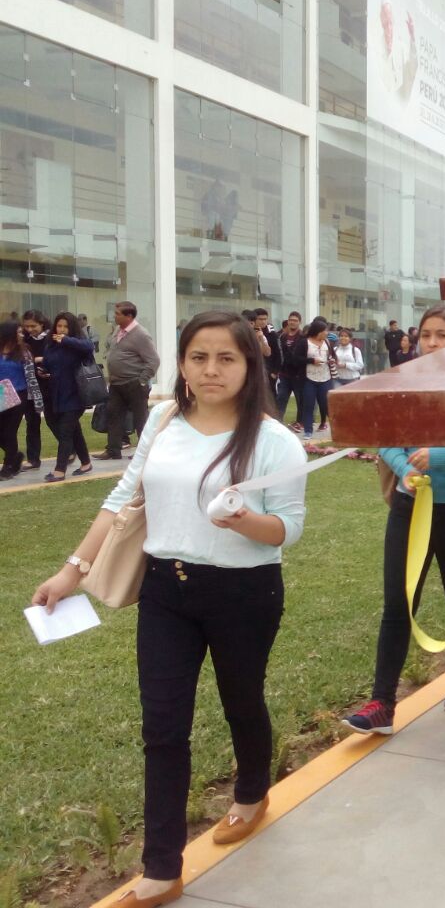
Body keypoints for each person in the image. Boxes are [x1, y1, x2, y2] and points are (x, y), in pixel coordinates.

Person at [32, 310, 307, 908]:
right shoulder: (162, 420)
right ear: (181, 363)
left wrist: (243, 518)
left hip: (243, 594)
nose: (212, 370)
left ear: (249, 364)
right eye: (199, 357)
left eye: (226, 358)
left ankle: (253, 791)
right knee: (162, 726)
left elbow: (287, 530)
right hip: (165, 592)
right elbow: (121, 498)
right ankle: (161, 866)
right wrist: (70, 570)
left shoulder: (273, 440)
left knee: (242, 700)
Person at [342, 305, 445, 734]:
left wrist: (441, 457)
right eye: (427, 335)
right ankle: (382, 703)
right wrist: (406, 470)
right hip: (410, 510)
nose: (432, 343)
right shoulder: (405, 384)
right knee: (398, 604)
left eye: (444, 336)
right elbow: (386, 441)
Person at [99, 302, 159, 461]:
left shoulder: (141, 334)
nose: (114, 316)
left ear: (129, 316)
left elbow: (153, 360)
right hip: (116, 383)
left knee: (140, 419)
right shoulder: (118, 331)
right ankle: (113, 450)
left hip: (134, 383)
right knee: (114, 416)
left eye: (118, 313)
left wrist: (142, 380)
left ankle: (145, 453)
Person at [41, 312, 95, 482]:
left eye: (65, 326)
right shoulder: (52, 345)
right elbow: (49, 363)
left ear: (72, 328)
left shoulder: (77, 344)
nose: (61, 330)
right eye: (59, 326)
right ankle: (86, 463)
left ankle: (60, 470)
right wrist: (44, 371)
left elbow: (89, 347)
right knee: (74, 431)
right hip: (58, 394)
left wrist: (65, 340)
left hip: (76, 395)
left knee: (65, 432)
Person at [0, 322, 33, 479]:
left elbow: (31, 375)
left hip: (18, 394)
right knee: (2, 433)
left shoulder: (23, 352)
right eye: (19, 332)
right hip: (1, 393)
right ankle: (15, 456)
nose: (22, 335)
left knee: (10, 431)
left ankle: (8, 466)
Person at [20, 310, 50, 471]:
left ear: (42, 323)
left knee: (55, 421)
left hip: (48, 386)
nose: (30, 329)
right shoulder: (25, 340)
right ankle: (33, 459)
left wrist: (39, 359)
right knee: (32, 423)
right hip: (30, 387)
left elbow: (57, 357)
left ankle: (70, 449)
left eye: (33, 326)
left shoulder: (50, 338)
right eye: (27, 326)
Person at [300, 318, 333, 440]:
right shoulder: (304, 342)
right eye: (325, 331)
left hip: (325, 378)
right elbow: (295, 359)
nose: (327, 333)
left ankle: (336, 429)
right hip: (309, 379)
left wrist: (331, 360)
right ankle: (308, 430)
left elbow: (331, 355)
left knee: (327, 405)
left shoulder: (327, 342)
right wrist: (311, 360)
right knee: (308, 405)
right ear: (318, 331)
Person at [273, 311, 307, 426]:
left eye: (295, 320)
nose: (292, 322)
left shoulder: (303, 337)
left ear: (299, 322)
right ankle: (278, 422)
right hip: (284, 375)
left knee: (300, 400)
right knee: (281, 398)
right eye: (290, 320)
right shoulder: (282, 336)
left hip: (298, 375)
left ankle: (299, 423)